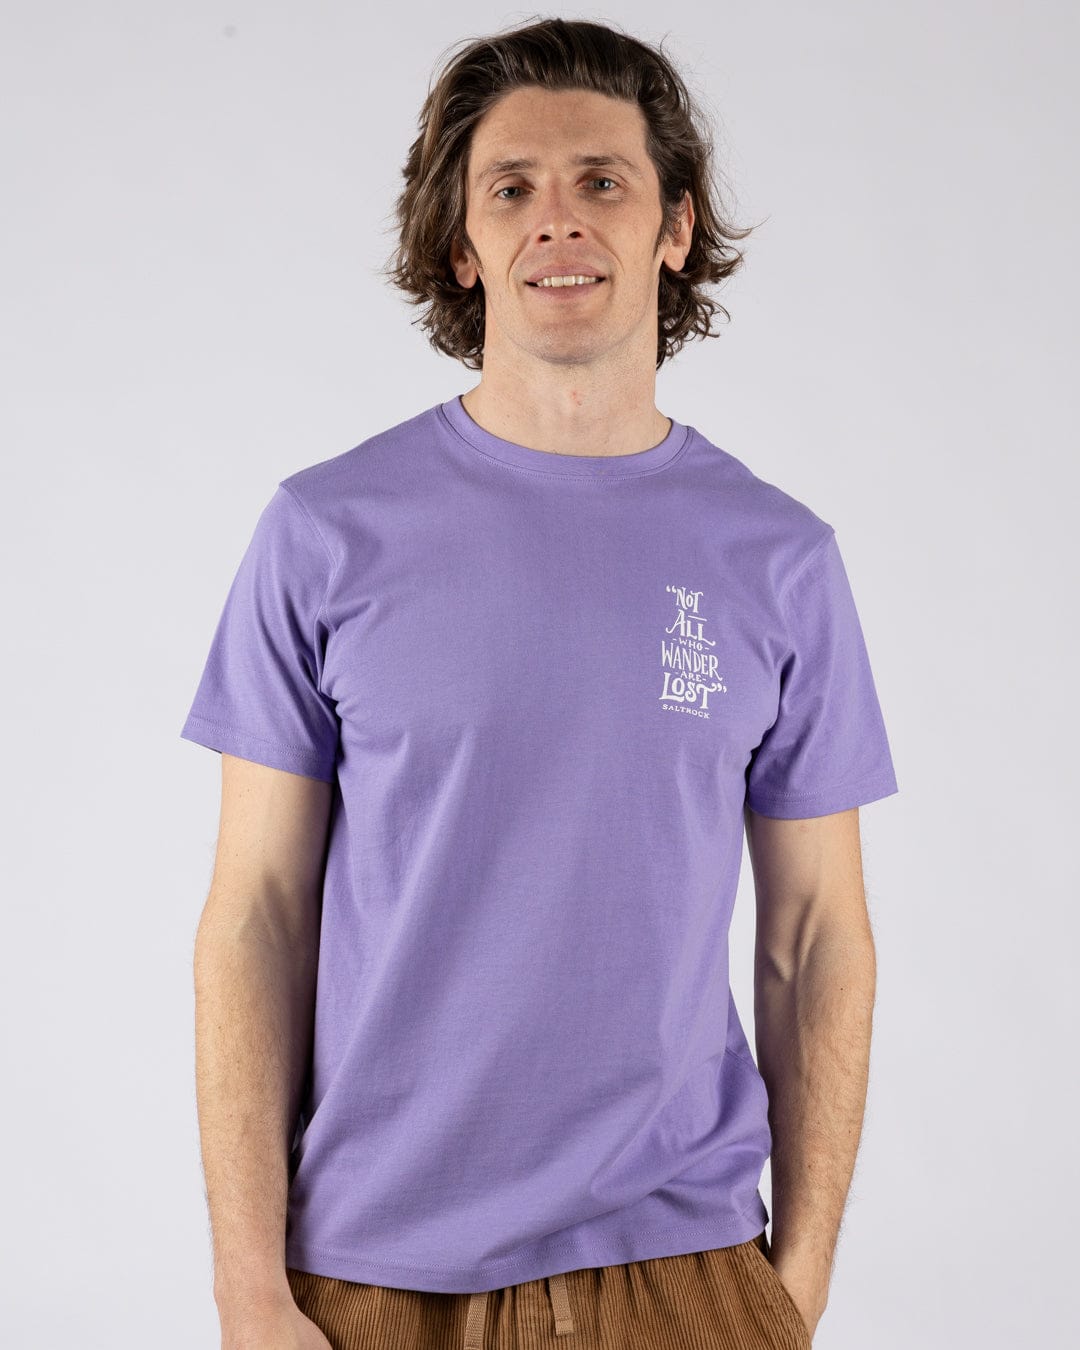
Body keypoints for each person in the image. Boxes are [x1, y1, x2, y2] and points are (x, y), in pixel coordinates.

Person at [182, 17, 898, 1350]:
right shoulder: (325, 532)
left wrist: (792, 1285)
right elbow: (257, 915)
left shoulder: (779, 558)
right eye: (510, 187)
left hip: (684, 1261)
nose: (556, 218)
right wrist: (246, 1288)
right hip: (365, 1272)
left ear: (674, 226)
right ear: (462, 244)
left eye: (600, 180)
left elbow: (816, 935)